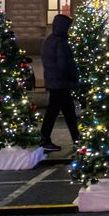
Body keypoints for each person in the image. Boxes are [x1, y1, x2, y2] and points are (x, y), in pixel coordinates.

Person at [39, 13, 81, 152]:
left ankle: (75, 138)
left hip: (54, 81)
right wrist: (73, 78)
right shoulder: (61, 42)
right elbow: (64, 64)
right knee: (61, 112)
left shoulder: (50, 40)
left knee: (62, 111)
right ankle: (46, 139)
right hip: (61, 82)